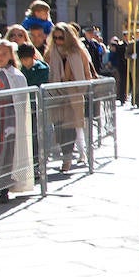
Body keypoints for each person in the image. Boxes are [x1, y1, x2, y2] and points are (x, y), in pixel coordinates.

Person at [0, 40, 33, 203]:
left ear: (10, 55)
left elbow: (21, 99)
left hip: (9, 117)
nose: (0, 57)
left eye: (4, 54)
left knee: (6, 151)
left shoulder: (16, 76)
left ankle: (3, 188)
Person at [44, 22, 96, 172]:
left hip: (74, 94)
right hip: (56, 95)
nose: (58, 41)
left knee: (72, 127)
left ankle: (68, 158)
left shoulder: (78, 51)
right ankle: (69, 155)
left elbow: (86, 72)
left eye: (61, 37)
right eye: (55, 38)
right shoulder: (50, 53)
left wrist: (83, 86)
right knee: (60, 127)